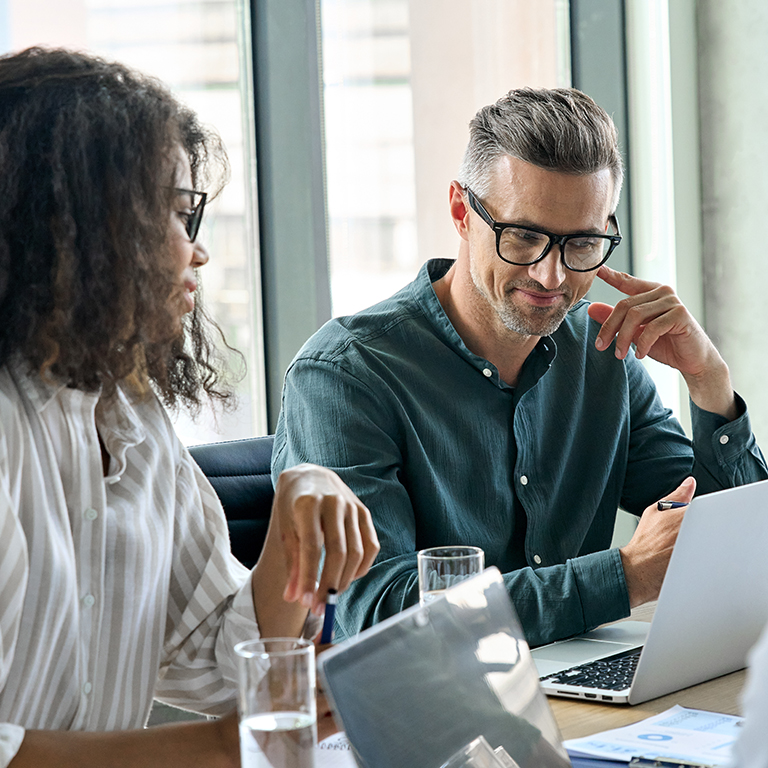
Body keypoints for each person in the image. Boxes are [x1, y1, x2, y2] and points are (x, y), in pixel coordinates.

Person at [272, 86, 767, 648]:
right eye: (525, 237)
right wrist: (623, 578)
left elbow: (741, 547)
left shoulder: (601, 353)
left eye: (582, 243)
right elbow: (379, 613)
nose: (552, 276)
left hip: (580, 700)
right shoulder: (345, 375)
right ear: (462, 212)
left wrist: (710, 383)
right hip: (427, 714)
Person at [0, 46, 379, 767]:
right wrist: (224, 745)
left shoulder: (130, 412)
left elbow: (220, 656)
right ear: (77, 228)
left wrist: (300, 492)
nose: (195, 252)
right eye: (178, 216)